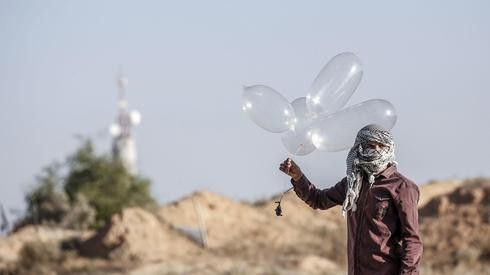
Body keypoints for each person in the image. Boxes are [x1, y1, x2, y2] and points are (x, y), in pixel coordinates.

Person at [279, 124, 422, 275]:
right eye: (370, 145)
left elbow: (412, 239)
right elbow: (319, 200)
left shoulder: (402, 187)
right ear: (359, 147)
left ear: (390, 148)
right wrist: (298, 177)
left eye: (382, 145)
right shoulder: (353, 183)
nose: (376, 150)